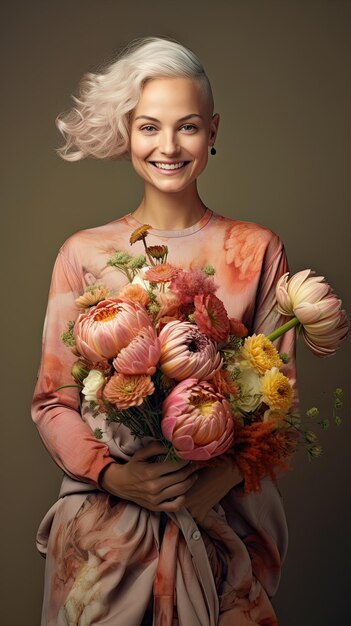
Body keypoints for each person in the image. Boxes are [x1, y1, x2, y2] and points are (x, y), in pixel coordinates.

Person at [32, 36, 296, 626]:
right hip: (106, 541)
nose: (169, 146)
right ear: (129, 132)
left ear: (213, 130)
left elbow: (279, 404)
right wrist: (117, 477)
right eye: (150, 126)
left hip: (220, 523)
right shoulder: (83, 252)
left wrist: (214, 483)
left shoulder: (255, 250)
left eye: (188, 127)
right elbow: (53, 403)